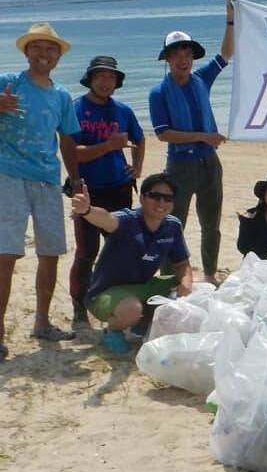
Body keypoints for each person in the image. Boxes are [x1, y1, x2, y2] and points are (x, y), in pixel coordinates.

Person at [0, 23, 81, 360]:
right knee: (6, 255)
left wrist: (75, 178)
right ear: (27, 52)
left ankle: (42, 323)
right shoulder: (8, 83)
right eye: (38, 47)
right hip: (8, 175)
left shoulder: (62, 95)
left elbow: (67, 139)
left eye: (51, 49)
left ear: (58, 57)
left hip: (48, 178)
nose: (44, 54)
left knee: (50, 252)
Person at [148, 0, 235, 286]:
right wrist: (203, 136)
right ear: (168, 60)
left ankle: (209, 273)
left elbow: (226, 54)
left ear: (192, 57)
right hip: (180, 166)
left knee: (212, 223)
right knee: (173, 223)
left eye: (187, 53)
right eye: (176, 55)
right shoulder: (158, 92)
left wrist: (230, 20)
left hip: (210, 162)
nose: (183, 59)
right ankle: (169, 278)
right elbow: (163, 134)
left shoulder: (202, 79)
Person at [72, 173, 192, 355]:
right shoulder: (128, 220)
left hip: (143, 287)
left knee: (192, 287)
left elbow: (182, 264)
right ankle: (112, 331)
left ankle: (141, 325)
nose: (161, 203)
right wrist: (87, 211)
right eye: (155, 196)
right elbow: (107, 220)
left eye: (167, 198)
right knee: (132, 309)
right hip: (105, 293)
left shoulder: (172, 226)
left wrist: (186, 284)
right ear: (143, 198)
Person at [67, 55, 145, 327]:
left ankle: (116, 299)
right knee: (86, 251)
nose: (105, 81)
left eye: (111, 77)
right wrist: (108, 146)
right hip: (88, 191)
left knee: (120, 247)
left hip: (119, 189)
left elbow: (140, 137)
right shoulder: (76, 109)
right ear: (90, 79)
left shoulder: (123, 110)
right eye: (100, 76)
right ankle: (79, 307)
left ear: (117, 82)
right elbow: (72, 153)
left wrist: (137, 167)